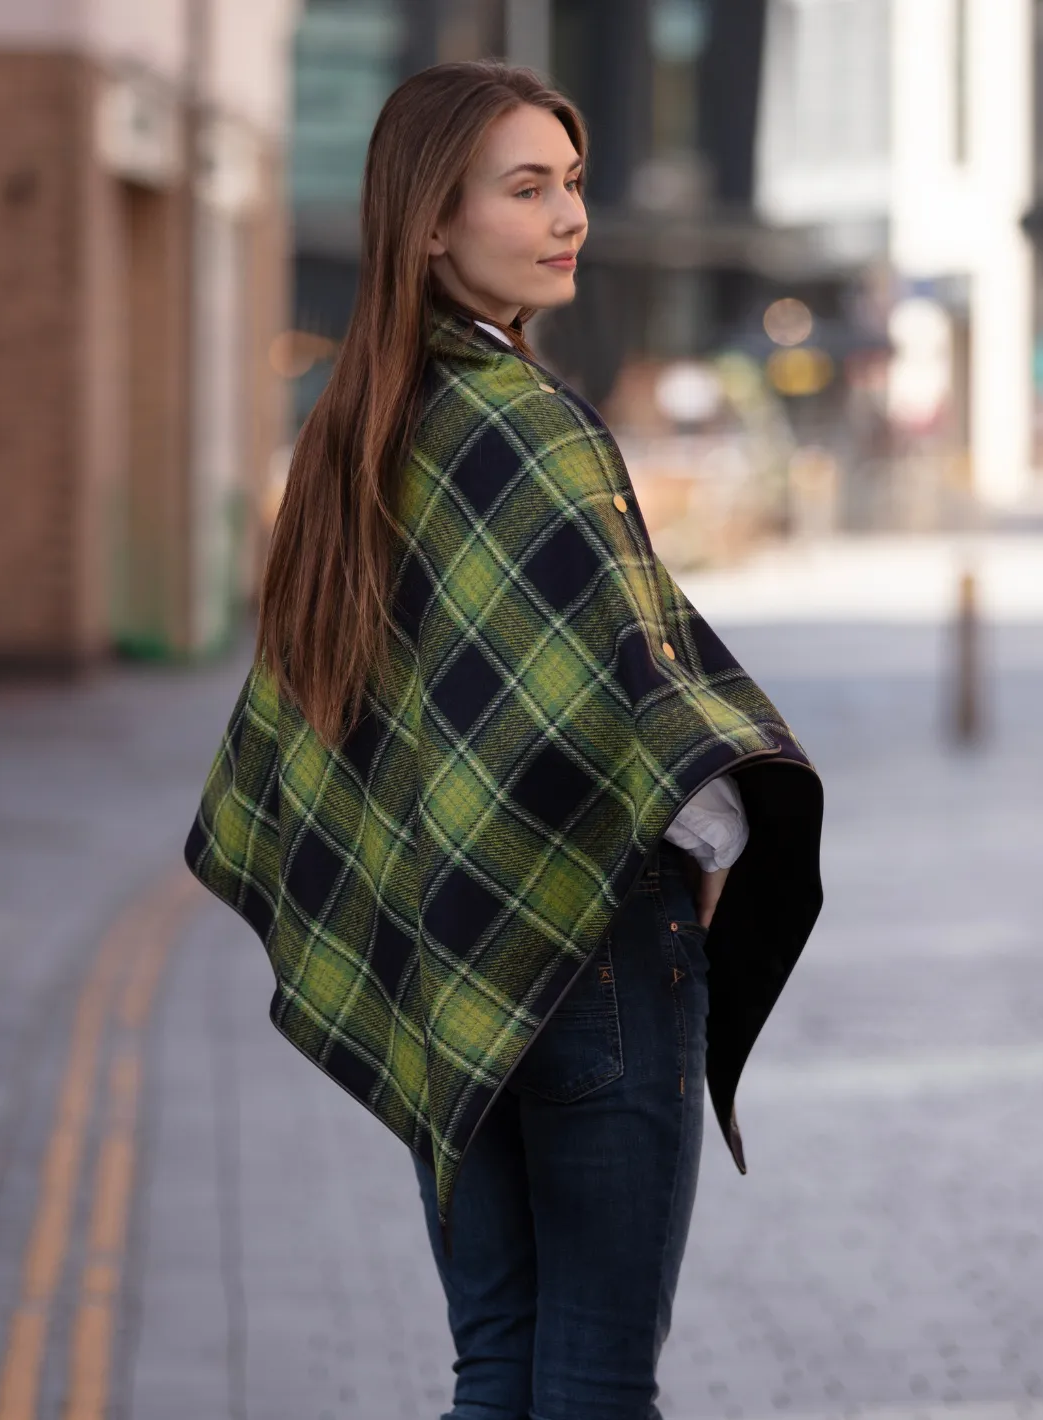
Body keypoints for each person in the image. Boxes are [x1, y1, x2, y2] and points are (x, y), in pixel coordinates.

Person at [185, 60, 824, 1420]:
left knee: (497, 1365)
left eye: (574, 186)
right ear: (429, 221)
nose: (568, 218)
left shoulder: (361, 427)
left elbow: (359, 726)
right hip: (600, 957)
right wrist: (719, 838)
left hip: (446, 954)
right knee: (592, 1380)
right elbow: (631, 699)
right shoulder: (529, 425)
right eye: (527, 190)